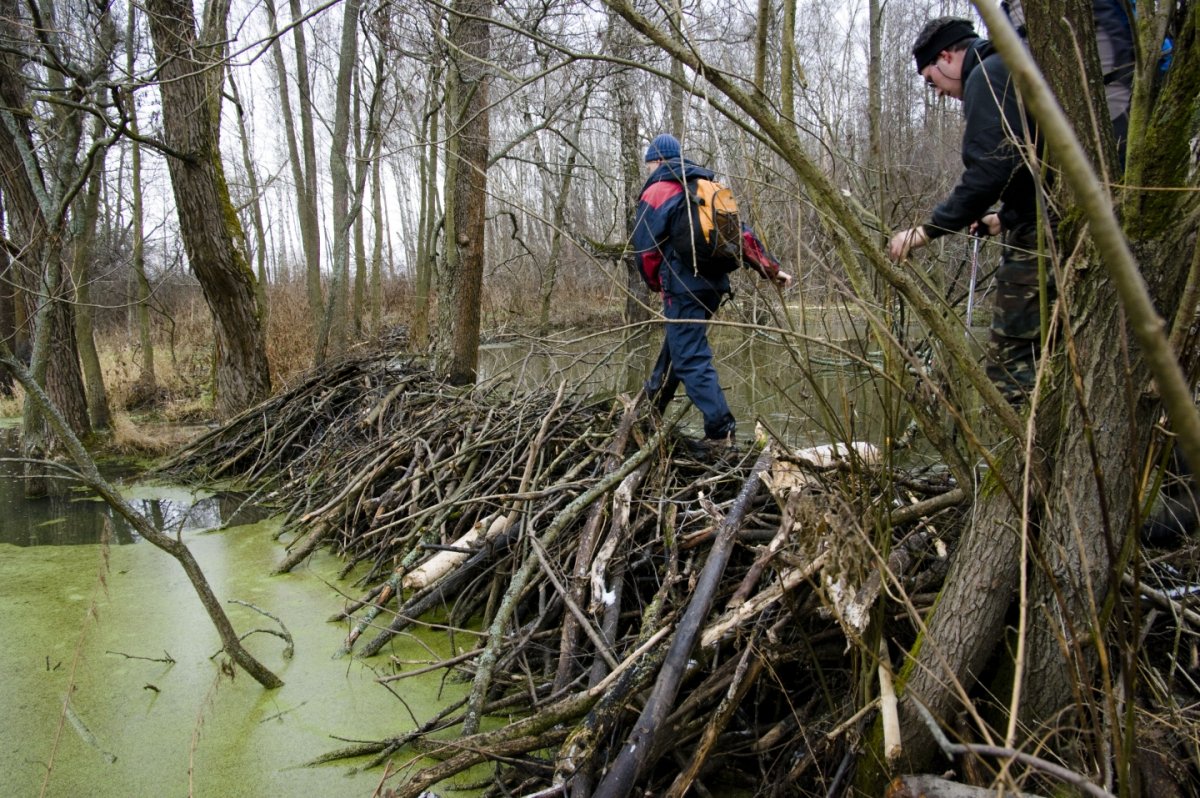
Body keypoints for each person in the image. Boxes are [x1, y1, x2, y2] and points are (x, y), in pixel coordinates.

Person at [887, 17, 1049, 404]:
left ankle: (1025, 459)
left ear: (946, 56)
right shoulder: (1005, 67)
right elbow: (1034, 161)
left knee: (1011, 369)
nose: (938, 93)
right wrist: (1003, 218)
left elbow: (991, 169)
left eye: (932, 80)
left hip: (1044, 233)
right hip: (1038, 221)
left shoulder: (986, 75)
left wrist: (927, 230)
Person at [632, 133, 792, 453]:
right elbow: (741, 234)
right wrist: (771, 269)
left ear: (657, 161)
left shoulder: (659, 189)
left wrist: (654, 283)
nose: (647, 170)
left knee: (689, 356)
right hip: (712, 286)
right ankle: (647, 415)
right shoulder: (705, 186)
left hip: (682, 285)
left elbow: (646, 247)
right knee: (678, 350)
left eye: (648, 164)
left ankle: (721, 430)